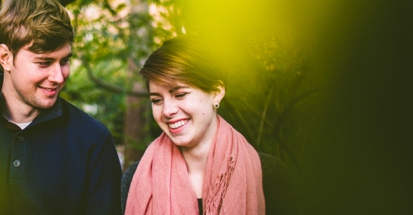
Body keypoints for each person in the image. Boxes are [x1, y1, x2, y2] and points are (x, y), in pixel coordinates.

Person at [0, 0, 122, 215]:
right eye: (44, 62)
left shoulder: (93, 142)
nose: (59, 76)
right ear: (5, 57)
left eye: (64, 61)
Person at [121, 36, 296, 215]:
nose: (167, 110)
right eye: (157, 100)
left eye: (180, 94)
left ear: (216, 93)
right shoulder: (137, 179)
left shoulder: (269, 175)